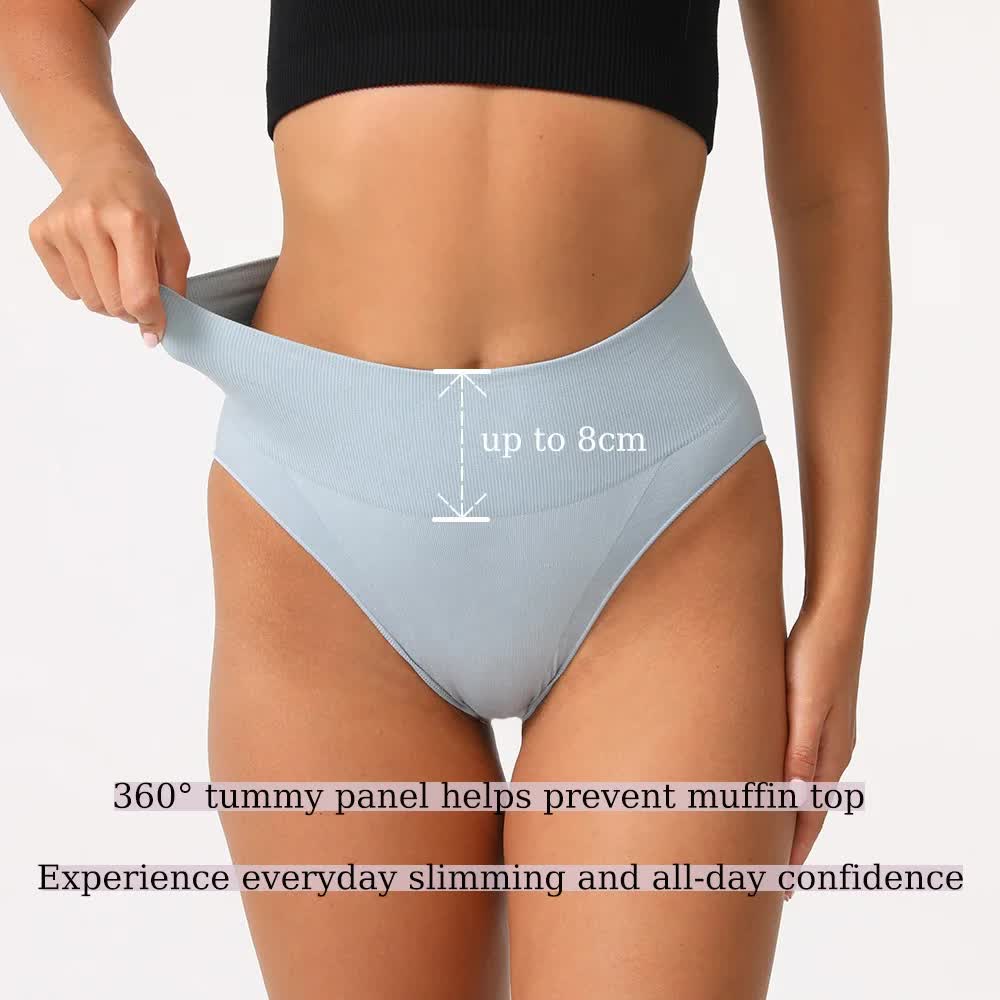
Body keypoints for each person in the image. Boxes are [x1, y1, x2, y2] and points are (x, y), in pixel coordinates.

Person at [0, 2, 891, 997]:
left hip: (661, 529)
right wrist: (94, 152)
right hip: (320, 540)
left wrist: (841, 605)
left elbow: (835, 192)